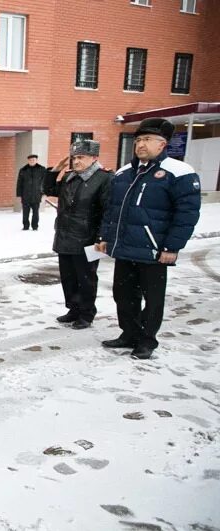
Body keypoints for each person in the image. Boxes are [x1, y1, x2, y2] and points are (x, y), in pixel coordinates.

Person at [97, 118, 201, 360]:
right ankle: (129, 334)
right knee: (123, 295)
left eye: (147, 140)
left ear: (162, 144)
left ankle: (147, 340)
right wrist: (105, 237)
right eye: (139, 140)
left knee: (153, 299)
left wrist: (171, 246)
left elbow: (186, 214)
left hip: (154, 251)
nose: (141, 144)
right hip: (124, 248)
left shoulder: (179, 172)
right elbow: (112, 210)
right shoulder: (124, 172)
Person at [43, 140, 112, 330]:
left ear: (94, 158)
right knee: (68, 277)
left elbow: (108, 212)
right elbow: (49, 190)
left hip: (89, 238)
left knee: (86, 279)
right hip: (65, 236)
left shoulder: (104, 178)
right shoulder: (70, 177)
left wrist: (102, 238)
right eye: (74, 157)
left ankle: (86, 313)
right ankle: (73, 309)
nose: (76, 161)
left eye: (81, 157)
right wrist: (55, 170)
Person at [17, 154, 46, 230]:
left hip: (36, 194)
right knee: (25, 212)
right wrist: (19, 195)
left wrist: (44, 193)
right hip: (25, 195)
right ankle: (25, 226)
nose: (32, 161)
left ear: (36, 160)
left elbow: (45, 182)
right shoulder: (23, 170)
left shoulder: (42, 169)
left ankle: (35, 226)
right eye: (30, 160)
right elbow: (19, 183)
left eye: (33, 160)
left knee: (36, 212)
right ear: (28, 161)